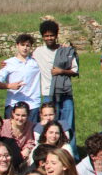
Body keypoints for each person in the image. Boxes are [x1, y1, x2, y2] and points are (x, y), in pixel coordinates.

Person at [34, 19, 79, 153]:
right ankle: (49, 152)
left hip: (65, 93)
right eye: (46, 36)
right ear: (42, 37)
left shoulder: (65, 51)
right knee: (49, 126)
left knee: (68, 124)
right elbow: (24, 59)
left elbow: (75, 71)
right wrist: (6, 64)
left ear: (56, 35)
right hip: (48, 93)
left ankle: (71, 154)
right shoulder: (38, 52)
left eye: (51, 35)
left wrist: (61, 71)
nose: (49, 38)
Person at [0, 33, 41, 124]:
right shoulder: (8, 63)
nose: (25, 48)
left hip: (33, 105)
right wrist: (9, 86)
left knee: (32, 132)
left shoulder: (36, 63)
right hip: (13, 104)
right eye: (22, 45)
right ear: (17, 45)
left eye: (28, 45)